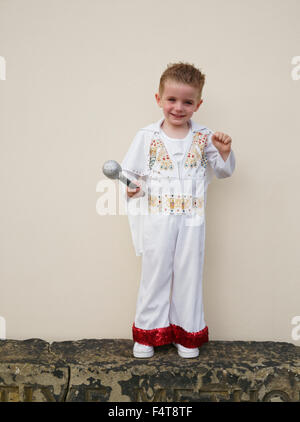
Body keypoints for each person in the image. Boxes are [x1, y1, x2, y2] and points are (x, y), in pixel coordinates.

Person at [121, 62, 236, 358]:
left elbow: (223, 172)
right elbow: (131, 176)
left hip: (193, 220)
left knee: (189, 273)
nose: (178, 107)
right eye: (171, 100)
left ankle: (187, 334)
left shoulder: (204, 136)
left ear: (198, 104)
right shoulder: (146, 136)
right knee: (155, 273)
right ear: (159, 99)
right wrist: (131, 188)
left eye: (187, 102)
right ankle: (149, 332)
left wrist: (224, 153)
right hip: (158, 218)